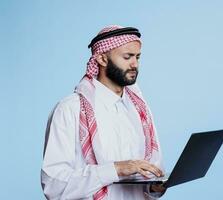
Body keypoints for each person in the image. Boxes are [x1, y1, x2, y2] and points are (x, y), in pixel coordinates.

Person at [41, 25, 166, 200]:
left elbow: (151, 173)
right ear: (101, 58)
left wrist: (154, 187)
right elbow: (54, 186)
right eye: (127, 57)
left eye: (138, 57)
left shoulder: (140, 109)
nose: (134, 64)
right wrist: (115, 169)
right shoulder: (70, 109)